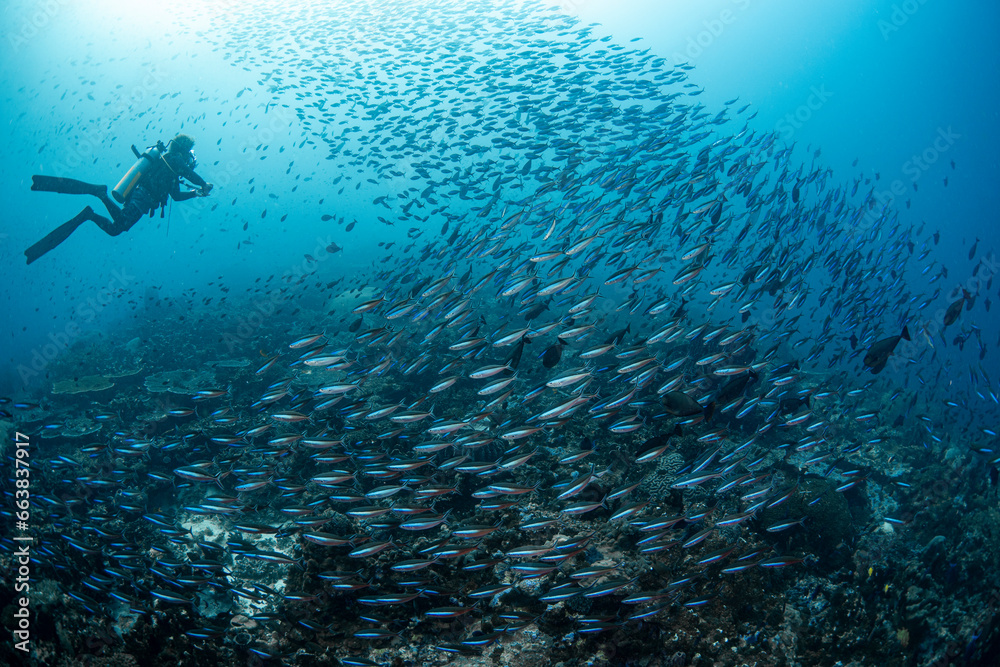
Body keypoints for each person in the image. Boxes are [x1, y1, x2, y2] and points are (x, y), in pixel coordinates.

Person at [24, 134, 213, 264]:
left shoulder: (171, 168)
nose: (190, 157)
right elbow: (188, 173)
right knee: (119, 226)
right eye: (190, 152)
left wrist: (196, 193)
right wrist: (203, 184)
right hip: (142, 197)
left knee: (116, 228)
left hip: (142, 198)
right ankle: (98, 198)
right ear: (184, 149)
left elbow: (177, 196)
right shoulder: (173, 158)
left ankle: (92, 207)